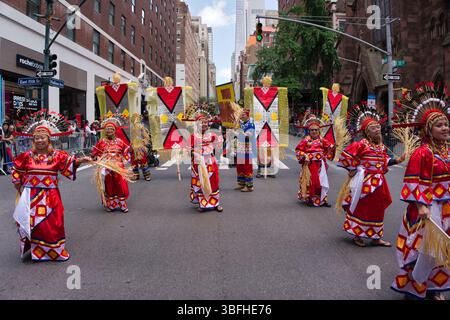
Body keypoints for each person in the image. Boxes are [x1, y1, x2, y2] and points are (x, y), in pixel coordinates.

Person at [390, 82, 449, 300]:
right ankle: (414, 287)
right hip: (428, 208)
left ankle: (435, 288)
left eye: (446, 124)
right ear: (428, 129)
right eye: (439, 125)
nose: (445, 128)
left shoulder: (447, 150)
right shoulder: (422, 153)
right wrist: (422, 205)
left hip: (447, 208)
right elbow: (413, 182)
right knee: (426, 250)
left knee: (444, 250)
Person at [11, 112, 90, 261]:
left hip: (51, 196)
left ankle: (54, 252)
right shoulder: (26, 156)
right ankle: (37, 252)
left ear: (49, 139)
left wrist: (81, 161)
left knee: (52, 223)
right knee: (33, 224)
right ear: (33, 140)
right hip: (31, 195)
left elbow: (69, 164)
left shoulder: (57, 155)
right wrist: (17, 182)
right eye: (37, 138)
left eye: (43, 137)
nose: (40, 140)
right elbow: (16, 169)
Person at [338, 104, 405, 247]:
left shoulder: (381, 146)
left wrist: (397, 160)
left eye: (378, 127)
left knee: (378, 209)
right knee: (362, 207)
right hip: (364, 181)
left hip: (379, 182)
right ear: (367, 132)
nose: (378, 129)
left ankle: (376, 237)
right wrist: (352, 169)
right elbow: (345, 156)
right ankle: (357, 234)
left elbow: (384, 161)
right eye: (374, 128)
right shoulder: (361, 144)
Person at [92, 119, 131, 213]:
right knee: (109, 185)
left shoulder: (120, 141)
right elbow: (95, 152)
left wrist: (131, 150)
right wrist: (95, 158)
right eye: (107, 129)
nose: (109, 131)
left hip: (119, 168)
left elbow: (126, 151)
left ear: (115, 131)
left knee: (120, 184)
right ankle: (111, 204)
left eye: (111, 129)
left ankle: (122, 204)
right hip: (107, 168)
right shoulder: (101, 142)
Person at [296, 114, 335, 207]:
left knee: (322, 181)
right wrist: (305, 156)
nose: (314, 132)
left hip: (321, 164)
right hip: (310, 164)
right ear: (309, 131)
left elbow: (329, 148)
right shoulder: (306, 140)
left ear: (319, 131)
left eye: (316, 130)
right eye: (312, 130)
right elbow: (298, 150)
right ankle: (310, 198)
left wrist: (334, 147)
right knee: (313, 182)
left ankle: (323, 199)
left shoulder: (322, 140)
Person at [188, 113, 223, 213]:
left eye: (205, 122)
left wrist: (221, 137)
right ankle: (202, 203)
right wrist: (193, 153)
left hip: (210, 161)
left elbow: (219, 145)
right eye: (201, 123)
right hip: (198, 162)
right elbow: (187, 149)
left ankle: (216, 203)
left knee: (213, 180)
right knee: (201, 182)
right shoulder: (193, 136)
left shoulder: (212, 135)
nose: (204, 124)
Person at [235, 108, 256, 192]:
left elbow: (248, 135)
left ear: (248, 115)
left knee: (247, 167)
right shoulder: (241, 123)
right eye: (241, 114)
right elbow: (237, 131)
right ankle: (242, 184)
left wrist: (240, 133)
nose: (241, 116)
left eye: (243, 114)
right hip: (240, 147)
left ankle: (249, 186)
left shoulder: (251, 124)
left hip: (247, 148)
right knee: (240, 167)